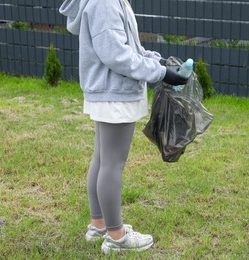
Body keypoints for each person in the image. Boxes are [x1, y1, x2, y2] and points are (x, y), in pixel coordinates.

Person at [59, 0, 188, 254]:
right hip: (115, 94)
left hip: (109, 92)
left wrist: (160, 61)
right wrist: (160, 73)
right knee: (112, 164)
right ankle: (116, 237)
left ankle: (99, 224)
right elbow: (117, 56)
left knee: (102, 160)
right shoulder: (105, 3)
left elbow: (131, 47)